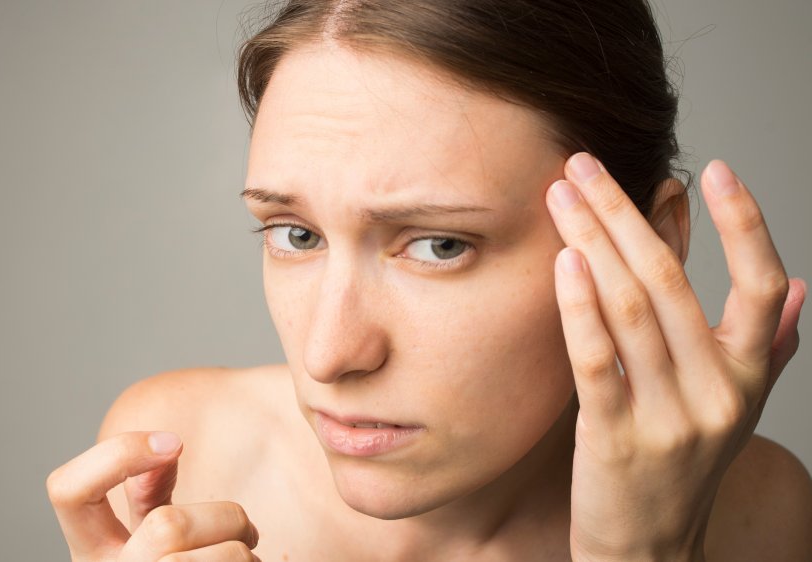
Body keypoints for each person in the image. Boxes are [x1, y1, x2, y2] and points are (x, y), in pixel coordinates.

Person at [47, 1, 812, 560]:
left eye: (442, 244)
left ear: (652, 241)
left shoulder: (760, 518)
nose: (328, 355)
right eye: (296, 235)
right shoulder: (175, 463)